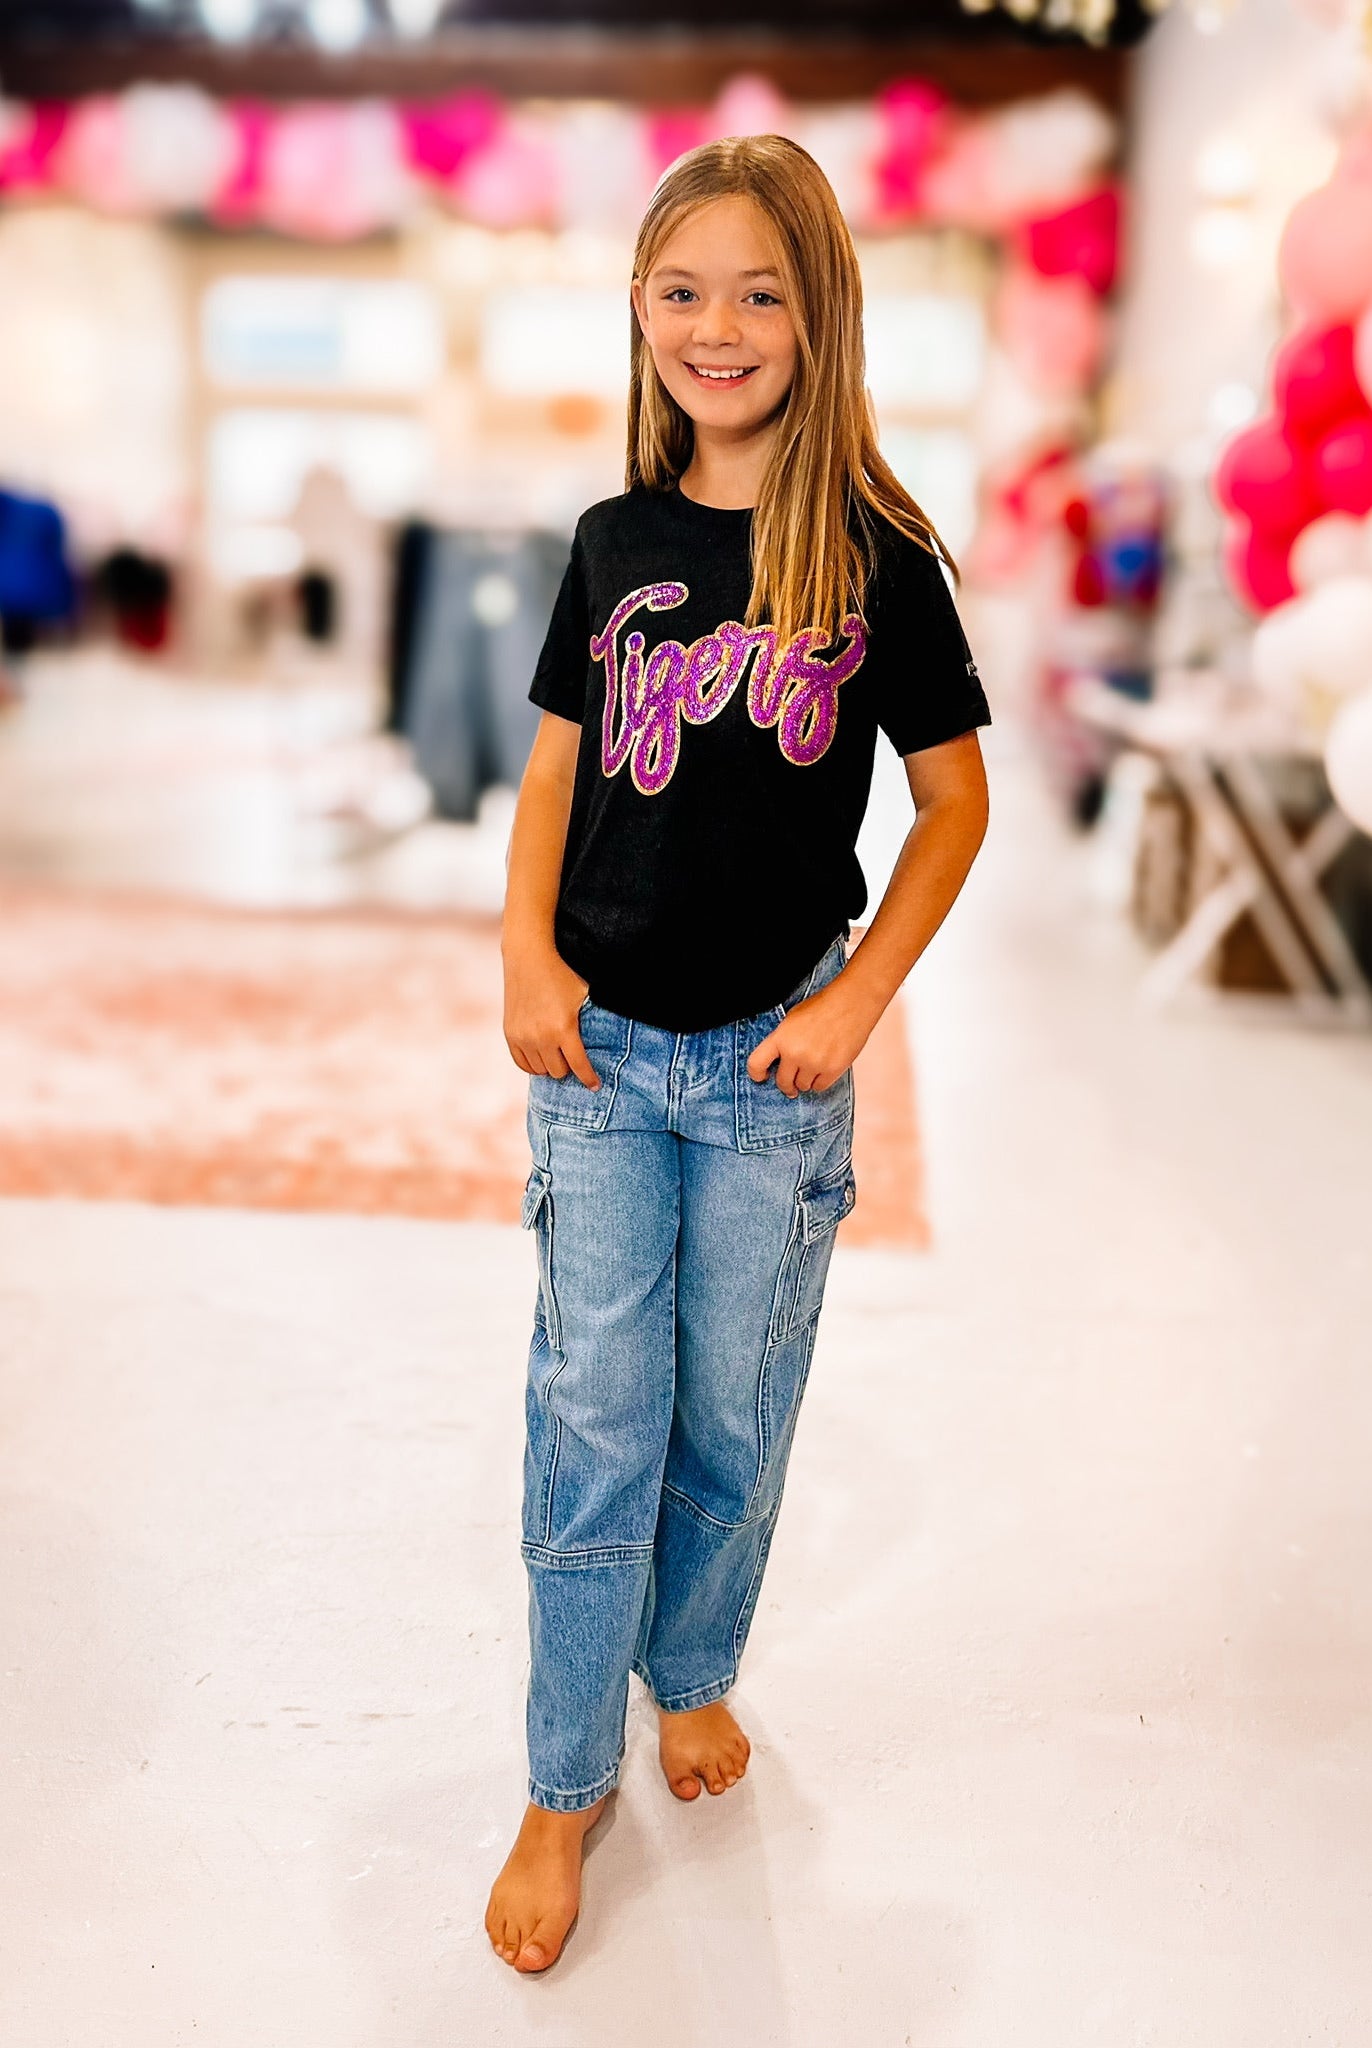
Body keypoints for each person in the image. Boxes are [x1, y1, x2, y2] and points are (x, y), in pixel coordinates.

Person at [485, 132, 991, 1974]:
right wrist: (525, 952)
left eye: (761, 290)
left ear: (821, 313)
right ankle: (562, 1781)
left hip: (776, 1073)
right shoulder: (616, 543)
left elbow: (954, 807)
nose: (719, 325)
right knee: (594, 1414)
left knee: (731, 1412)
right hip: (603, 1062)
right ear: (639, 311)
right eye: (683, 289)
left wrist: (853, 1002)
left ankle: (688, 1674)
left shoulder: (877, 562)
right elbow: (551, 774)